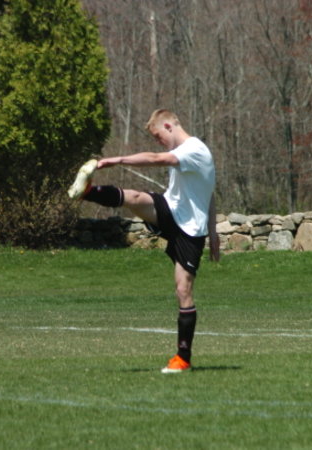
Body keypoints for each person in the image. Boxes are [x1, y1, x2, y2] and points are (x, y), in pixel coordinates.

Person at [68, 109, 220, 373]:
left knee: (183, 290)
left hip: (190, 231)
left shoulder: (195, 150)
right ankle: (86, 192)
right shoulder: (186, 152)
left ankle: (183, 358)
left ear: (169, 126)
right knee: (136, 198)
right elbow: (208, 192)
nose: (159, 141)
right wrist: (215, 231)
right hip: (170, 210)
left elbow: (160, 161)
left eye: (158, 136)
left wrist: (117, 160)